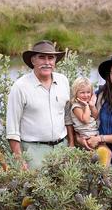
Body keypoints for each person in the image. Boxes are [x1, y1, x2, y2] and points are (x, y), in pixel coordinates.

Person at [6, 40, 71, 170]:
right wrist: (19, 159)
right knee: (36, 189)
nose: (47, 62)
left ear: (55, 61)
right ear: (33, 61)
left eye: (50, 58)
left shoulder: (63, 81)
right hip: (33, 152)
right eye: (42, 57)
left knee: (65, 189)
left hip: (62, 149)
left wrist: (71, 146)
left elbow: (67, 116)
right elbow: (12, 128)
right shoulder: (20, 87)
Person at [70, 76, 111, 165]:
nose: (86, 95)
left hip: (94, 135)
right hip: (86, 137)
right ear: (76, 93)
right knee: (96, 158)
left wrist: (92, 105)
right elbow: (85, 120)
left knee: (107, 154)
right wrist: (86, 106)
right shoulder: (76, 106)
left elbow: (95, 116)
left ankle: (105, 177)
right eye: (82, 92)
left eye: (88, 92)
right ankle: (102, 176)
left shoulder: (88, 105)